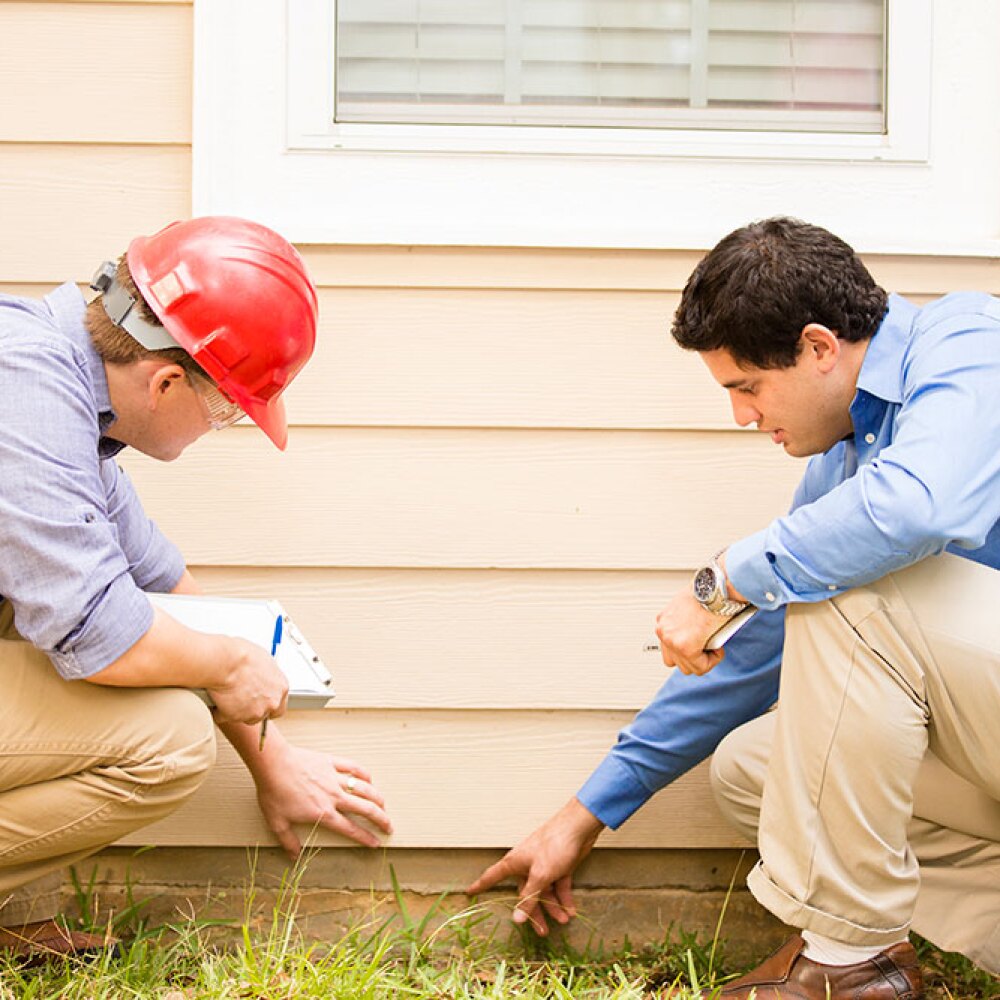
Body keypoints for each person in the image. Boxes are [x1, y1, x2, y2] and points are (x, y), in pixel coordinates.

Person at [469, 217, 1000, 997]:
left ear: (819, 347)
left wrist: (722, 576)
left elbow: (916, 511)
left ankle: (853, 966)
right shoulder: (844, 462)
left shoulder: (968, 341)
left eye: (746, 387)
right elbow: (756, 655)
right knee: (754, 771)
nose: (742, 416)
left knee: (842, 578)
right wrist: (583, 815)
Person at [0, 216, 392, 963]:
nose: (222, 427)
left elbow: (173, 598)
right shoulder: (25, 395)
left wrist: (271, 759)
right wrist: (229, 668)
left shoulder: (67, 395)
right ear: (167, 379)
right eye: (225, 410)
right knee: (169, 740)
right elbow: (100, 632)